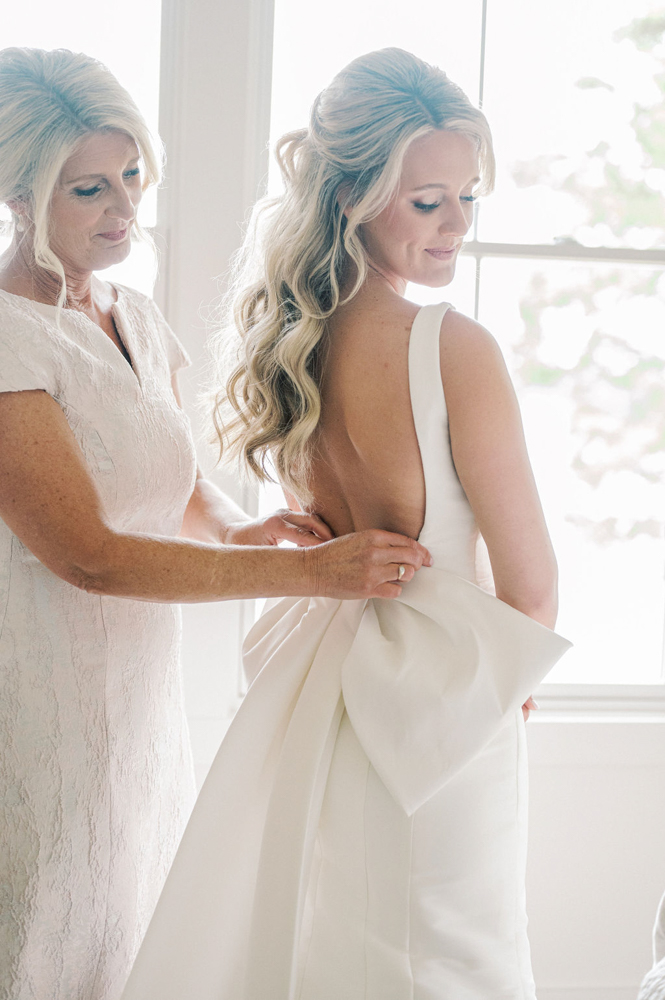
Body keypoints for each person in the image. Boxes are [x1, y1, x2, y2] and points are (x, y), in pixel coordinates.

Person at [121, 48, 571, 1000]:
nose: (456, 226)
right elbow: (530, 585)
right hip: (442, 709)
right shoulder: (454, 347)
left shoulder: (290, 345)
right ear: (353, 196)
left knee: (347, 951)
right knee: (458, 956)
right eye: (427, 201)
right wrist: (500, 695)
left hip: (334, 693)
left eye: (467, 199)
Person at [0, 47, 432, 1000]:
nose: (122, 208)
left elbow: (165, 470)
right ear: (20, 196)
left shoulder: (132, 314)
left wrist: (238, 529)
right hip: (31, 695)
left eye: (130, 177)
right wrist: (312, 577)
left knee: (130, 927)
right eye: (87, 189)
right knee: (33, 930)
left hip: (138, 702)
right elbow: (92, 557)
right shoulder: (6, 336)